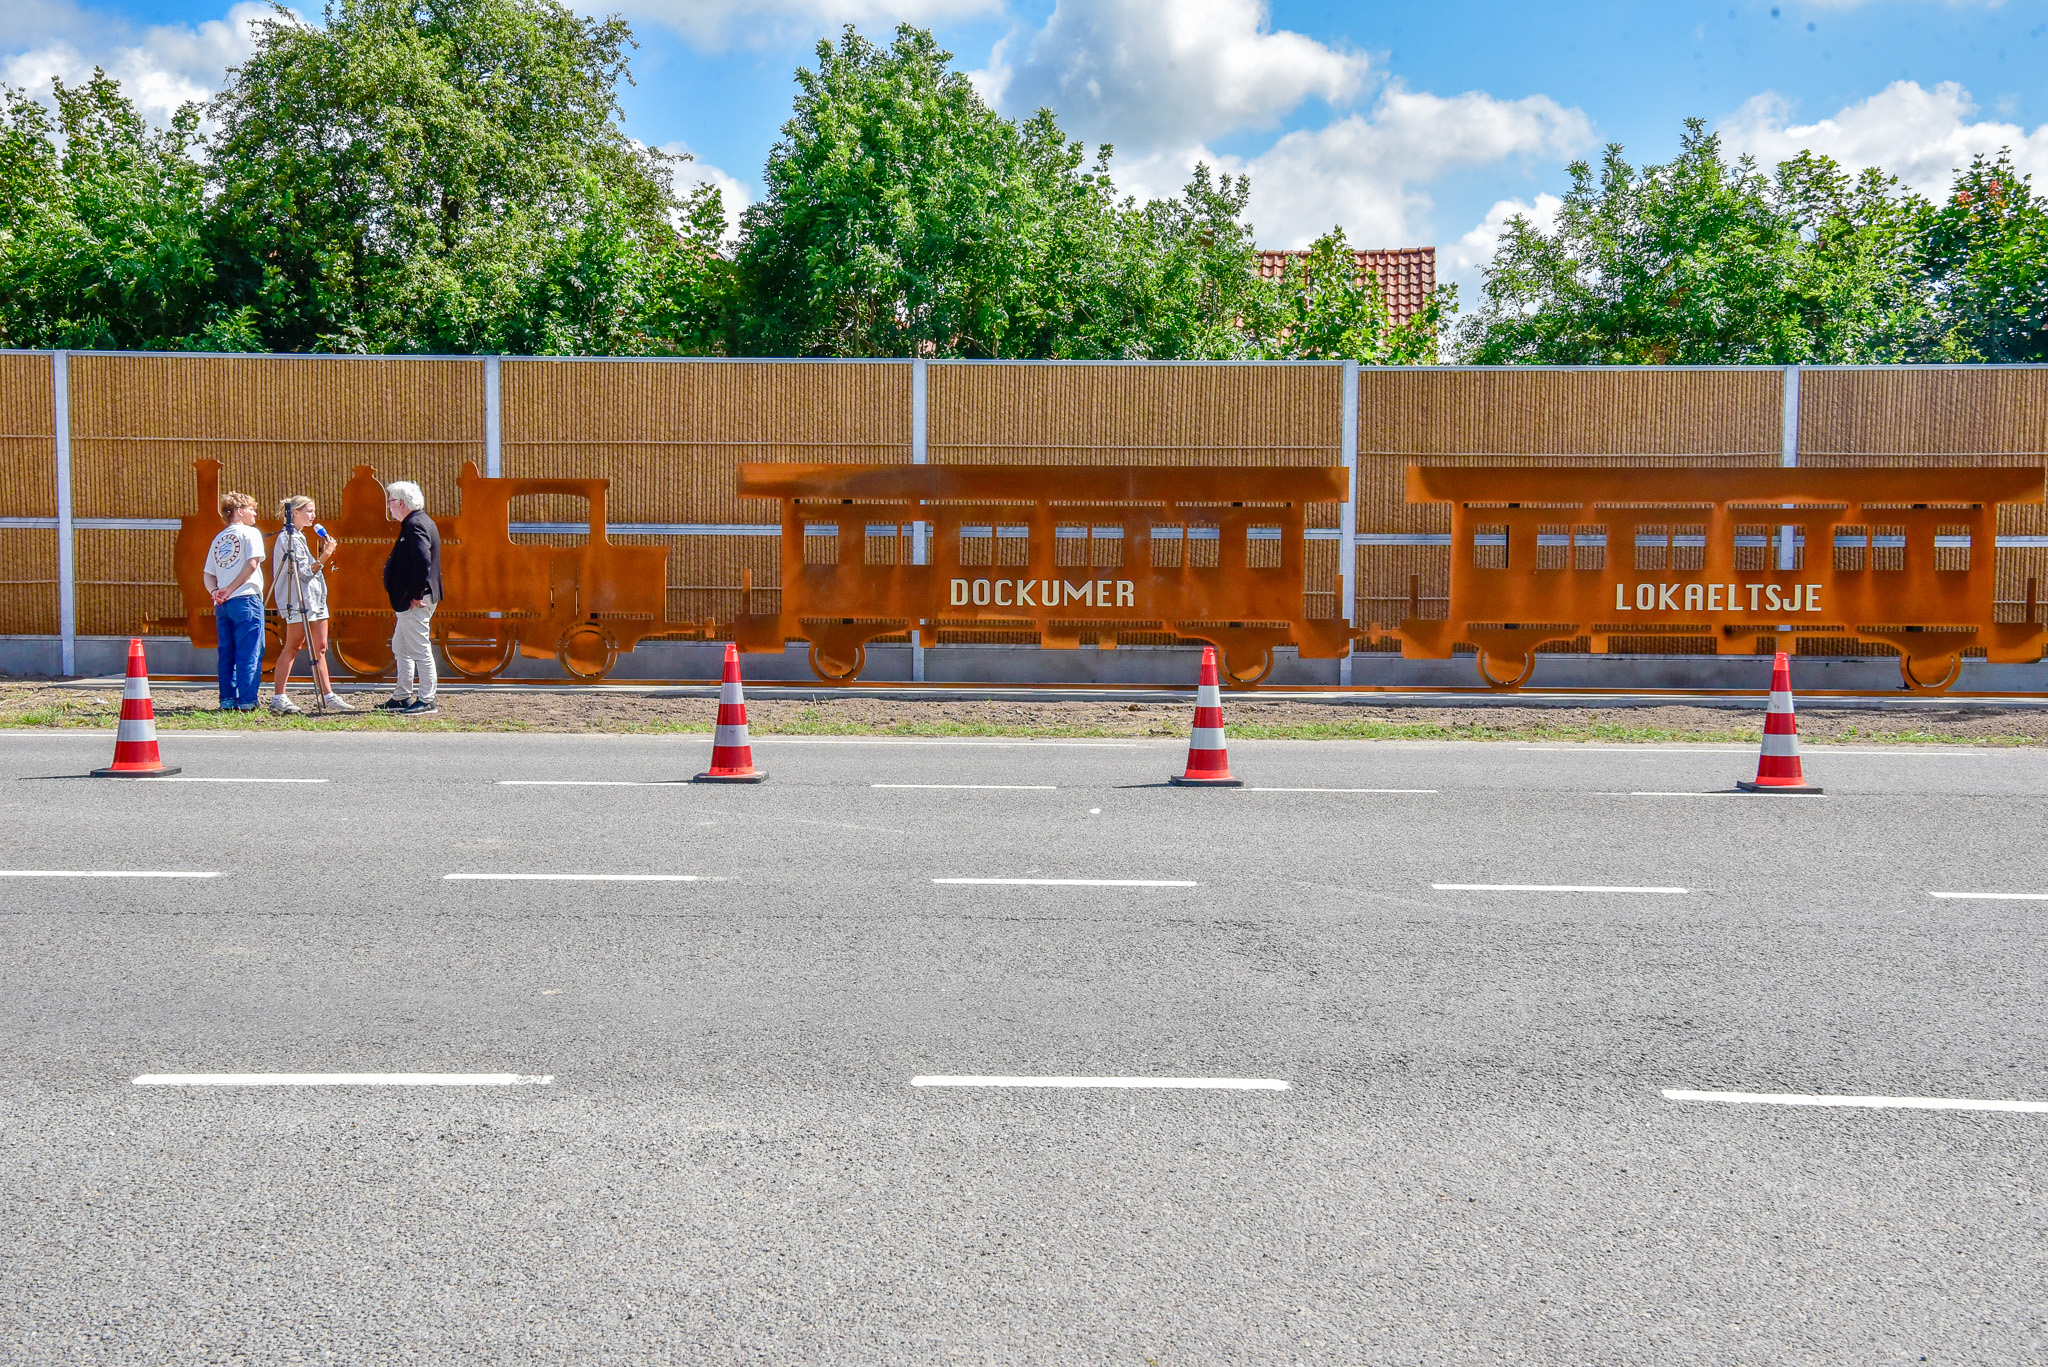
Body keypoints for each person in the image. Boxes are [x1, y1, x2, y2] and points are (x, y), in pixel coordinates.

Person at [268, 494, 354, 714]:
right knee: (293, 645)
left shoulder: (300, 537)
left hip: (315, 599)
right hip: (298, 600)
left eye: (313, 511)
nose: (313, 516)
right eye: (308, 511)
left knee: (320, 647)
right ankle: (279, 696)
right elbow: (304, 574)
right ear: (294, 512)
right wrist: (325, 556)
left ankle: (328, 695)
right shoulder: (287, 538)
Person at [380, 479, 442, 714]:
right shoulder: (418, 521)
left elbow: (422, 560)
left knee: (419, 648)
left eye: (391, 502)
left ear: (402, 503)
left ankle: (427, 699)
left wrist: (415, 593)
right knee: (401, 646)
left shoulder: (415, 524)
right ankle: (402, 696)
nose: (389, 507)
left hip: (416, 599)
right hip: (413, 598)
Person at [202, 490, 266, 711]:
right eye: (251, 509)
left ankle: (227, 700)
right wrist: (230, 588)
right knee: (250, 651)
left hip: (222, 604)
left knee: (226, 653)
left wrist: (217, 592)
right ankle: (247, 701)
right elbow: (252, 564)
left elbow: (208, 574)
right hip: (246, 598)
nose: (255, 513)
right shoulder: (251, 533)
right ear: (239, 511)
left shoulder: (219, 538)